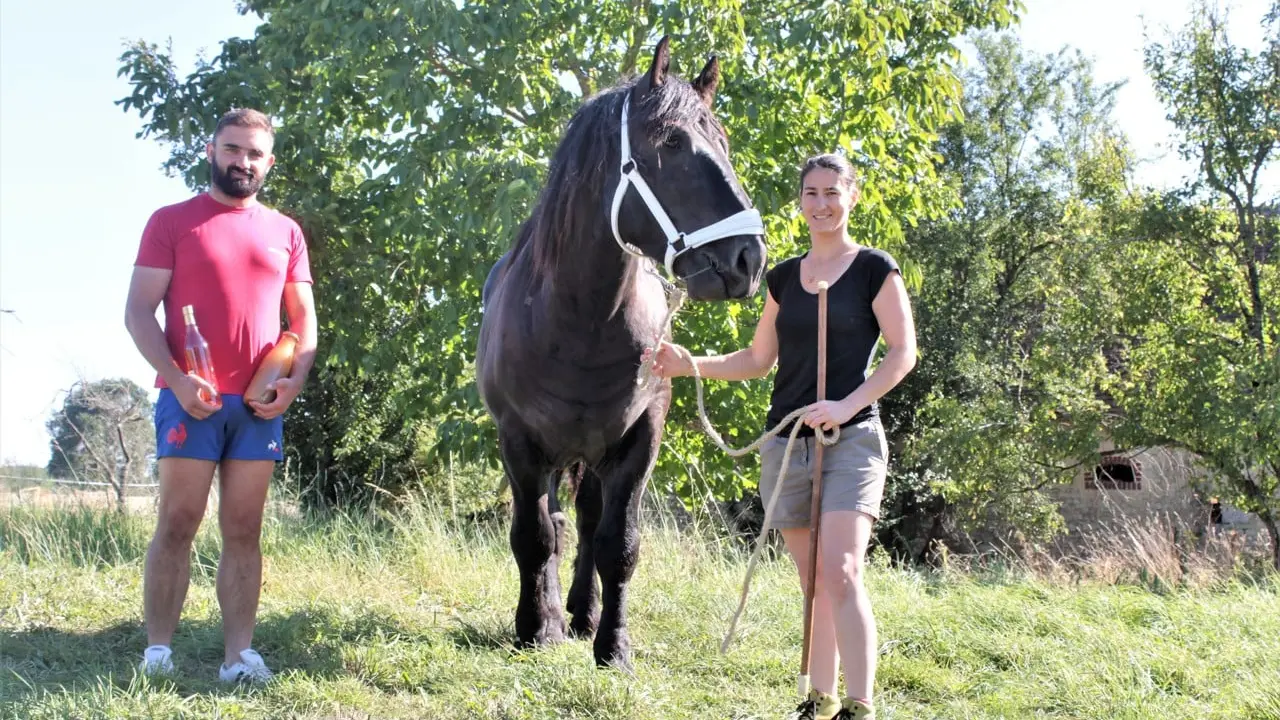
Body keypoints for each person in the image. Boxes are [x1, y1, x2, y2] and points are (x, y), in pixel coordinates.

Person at [644, 153, 916, 720]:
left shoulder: (874, 269)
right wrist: (687, 363)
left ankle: (860, 707)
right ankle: (819, 698)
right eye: (811, 193)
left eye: (832, 193)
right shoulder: (784, 278)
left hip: (853, 441)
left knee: (842, 570)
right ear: (801, 201)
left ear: (852, 198)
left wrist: (846, 405)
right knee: (813, 580)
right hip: (786, 443)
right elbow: (756, 358)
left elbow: (902, 353)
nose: (821, 204)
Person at [124, 107, 316, 684]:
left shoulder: (286, 231)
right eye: (233, 149)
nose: (243, 161)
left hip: (259, 407)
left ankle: (238, 657)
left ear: (269, 163)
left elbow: (303, 319)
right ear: (211, 151)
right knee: (177, 523)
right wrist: (178, 380)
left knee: (244, 531)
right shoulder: (172, 220)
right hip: (188, 398)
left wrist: (292, 384)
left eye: (255, 153)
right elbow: (138, 313)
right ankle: (158, 650)